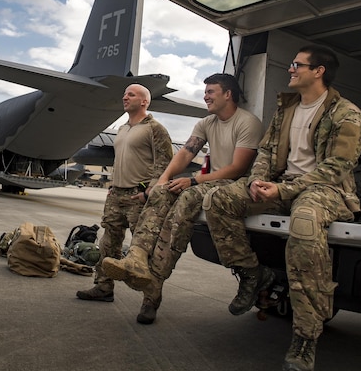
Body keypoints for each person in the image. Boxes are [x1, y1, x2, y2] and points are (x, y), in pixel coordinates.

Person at [207, 46, 361, 371]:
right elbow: (265, 150)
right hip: (282, 185)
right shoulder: (287, 111)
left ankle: (305, 339)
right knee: (219, 199)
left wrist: (285, 188)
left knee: (305, 223)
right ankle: (253, 275)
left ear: (319, 71)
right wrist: (258, 180)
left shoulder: (347, 113)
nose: (290, 69)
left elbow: (338, 166)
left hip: (326, 190)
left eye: (297, 65)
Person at [102, 73, 262, 324]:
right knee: (164, 191)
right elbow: (186, 154)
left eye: (211, 92)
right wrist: (162, 180)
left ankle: (152, 287)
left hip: (237, 184)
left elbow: (238, 169)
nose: (205, 96)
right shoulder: (207, 123)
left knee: (185, 202)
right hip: (211, 181)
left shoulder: (247, 122)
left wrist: (195, 180)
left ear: (228, 94)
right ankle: (137, 256)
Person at [76, 84, 173, 303]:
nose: (125, 97)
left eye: (131, 94)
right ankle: (103, 287)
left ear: (144, 101)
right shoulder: (122, 128)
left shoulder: (155, 128)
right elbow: (120, 161)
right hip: (116, 195)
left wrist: (148, 192)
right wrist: (112, 186)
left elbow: (165, 165)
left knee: (143, 251)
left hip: (138, 198)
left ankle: (150, 299)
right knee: (108, 244)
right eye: (124, 93)